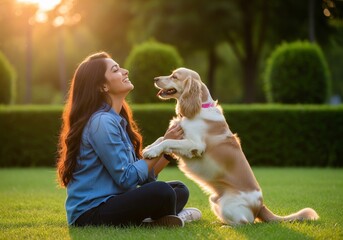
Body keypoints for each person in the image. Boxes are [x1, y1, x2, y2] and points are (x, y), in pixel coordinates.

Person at [56, 52, 201, 227]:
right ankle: (168, 218)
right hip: (91, 213)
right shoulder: (101, 122)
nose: (125, 71)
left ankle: (155, 219)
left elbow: (142, 177)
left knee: (178, 189)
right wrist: (162, 145)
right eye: (116, 70)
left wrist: (166, 152)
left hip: (114, 200)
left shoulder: (116, 120)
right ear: (102, 86)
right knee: (161, 192)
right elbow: (127, 178)